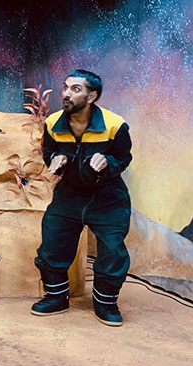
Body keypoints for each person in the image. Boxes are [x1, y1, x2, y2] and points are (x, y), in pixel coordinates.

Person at [31, 69, 133, 326]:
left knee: (112, 249)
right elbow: (49, 151)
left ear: (92, 96)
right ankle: (56, 298)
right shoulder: (53, 123)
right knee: (53, 240)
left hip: (108, 198)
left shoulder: (115, 125)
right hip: (69, 194)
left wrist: (107, 161)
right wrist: (56, 159)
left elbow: (123, 157)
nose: (66, 93)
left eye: (75, 89)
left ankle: (106, 303)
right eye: (65, 87)